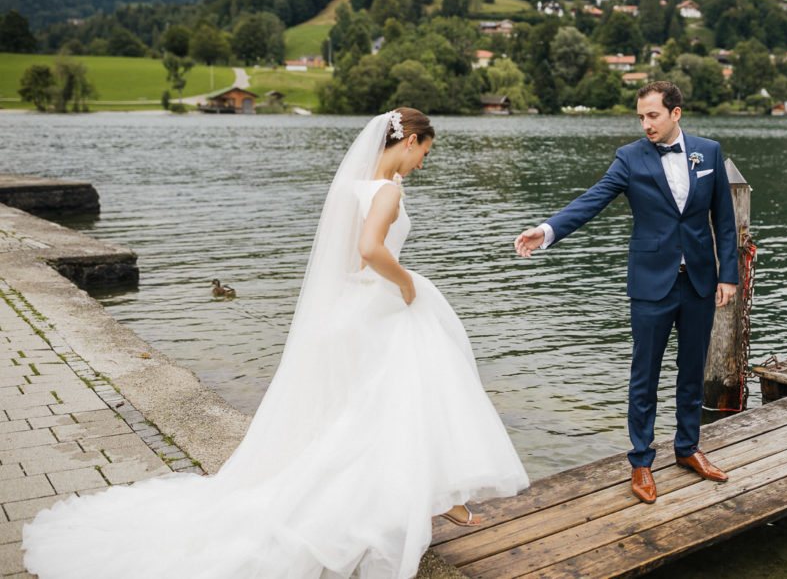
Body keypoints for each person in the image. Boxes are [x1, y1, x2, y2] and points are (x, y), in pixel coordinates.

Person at [23, 109, 528, 578]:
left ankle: (425, 495)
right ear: (411, 140)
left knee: (363, 408)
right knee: (405, 396)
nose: (423, 163)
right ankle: (418, 498)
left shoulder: (354, 185)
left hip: (346, 311)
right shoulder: (387, 193)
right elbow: (370, 250)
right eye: (425, 153)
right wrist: (406, 284)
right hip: (378, 304)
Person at [514, 82, 737, 504]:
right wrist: (547, 231)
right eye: (641, 117)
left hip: (700, 283)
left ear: (676, 113)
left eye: (653, 115)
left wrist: (729, 276)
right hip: (651, 284)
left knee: (692, 372)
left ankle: (688, 448)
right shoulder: (629, 158)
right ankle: (641, 462)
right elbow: (592, 200)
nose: (645, 124)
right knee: (644, 376)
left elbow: (724, 220)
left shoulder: (708, 152)